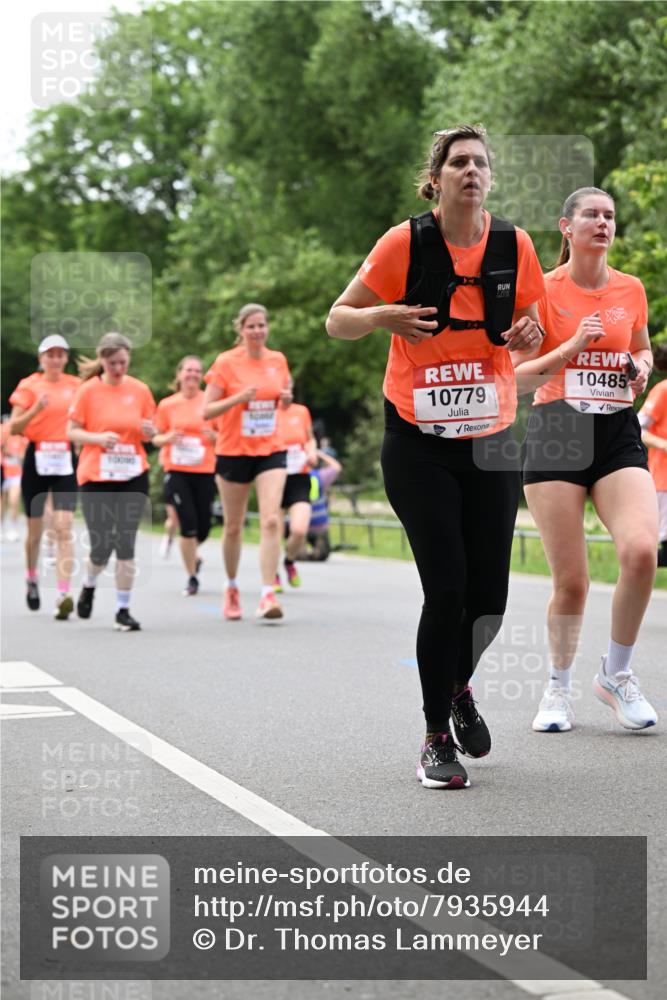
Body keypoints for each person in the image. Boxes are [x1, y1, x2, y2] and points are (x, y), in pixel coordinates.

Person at [326, 124, 545, 789]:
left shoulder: (514, 245)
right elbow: (337, 318)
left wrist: (532, 333)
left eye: (479, 162)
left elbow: (531, 334)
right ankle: (432, 739)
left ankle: (457, 686)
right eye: (458, 162)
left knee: (490, 599)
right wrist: (381, 316)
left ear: (488, 177)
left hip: (487, 440)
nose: (470, 171)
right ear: (437, 178)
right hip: (416, 442)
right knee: (446, 585)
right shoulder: (405, 242)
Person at [516, 187, 658, 733]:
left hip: (616, 431)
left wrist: (640, 367)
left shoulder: (631, 288)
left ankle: (616, 675)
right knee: (572, 581)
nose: (603, 223)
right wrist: (571, 346)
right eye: (592, 215)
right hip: (557, 431)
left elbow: (642, 347)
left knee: (642, 550)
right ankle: (557, 688)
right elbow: (518, 377)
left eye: (610, 216)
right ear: (566, 227)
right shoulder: (542, 292)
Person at [203, 303, 292, 621]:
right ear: (240, 330)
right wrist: (238, 398)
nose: (257, 331)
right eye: (251, 326)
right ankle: (232, 587)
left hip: (270, 448)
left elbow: (285, 393)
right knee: (233, 526)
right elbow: (206, 410)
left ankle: (268, 594)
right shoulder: (226, 363)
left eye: (262, 325)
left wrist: (286, 400)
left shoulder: (278, 360)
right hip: (233, 450)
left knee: (271, 520)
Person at [67, 332, 156, 632]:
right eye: (113, 362)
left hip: (132, 472)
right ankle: (89, 584)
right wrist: (97, 438)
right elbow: (71, 431)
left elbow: (151, 433)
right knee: (102, 545)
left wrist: (148, 430)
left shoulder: (140, 390)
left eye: (123, 362)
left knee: (126, 541)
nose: (119, 368)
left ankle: (123, 608)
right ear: (102, 360)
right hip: (97, 475)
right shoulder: (88, 391)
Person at [8, 335, 80, 618]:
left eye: (60, 354)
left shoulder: (75, 385)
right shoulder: (29, 386)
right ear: (41, 358)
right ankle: (32, 576)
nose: (56, 359)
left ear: (66, 358)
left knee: (64, 527)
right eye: (50, 354)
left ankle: (63, 592)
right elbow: (14, 427)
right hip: (36, 458)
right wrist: (36, 409)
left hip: (64, 459)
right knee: (35, 533)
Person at [153, 356, 217, 595]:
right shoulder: (167, 405)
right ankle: (192, 576)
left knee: (203, 528)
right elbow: (155, 438)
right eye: (188, 370)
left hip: (205, 470)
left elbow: (225, 438)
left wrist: (215, 438)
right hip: (177, 471)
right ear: (179, 374)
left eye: (197, 371)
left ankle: (191, 553)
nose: (193, 374)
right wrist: (168, 438)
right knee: (187, 524)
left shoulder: (210, 402)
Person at [274, 400, 318, 589]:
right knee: (273, 532)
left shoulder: (301, 411)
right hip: (273, 477)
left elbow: (310, 439)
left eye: (289, 387)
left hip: (299, 477)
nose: (286, 392)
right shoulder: (267, 411)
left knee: (299, 530)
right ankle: (272, 574)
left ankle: (289, 561)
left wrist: (312, 452)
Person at [638, 344, 667, 568]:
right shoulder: (663, 390)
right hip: (663, 480)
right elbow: (639, 428)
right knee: (661, 549)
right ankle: (632, 564)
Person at [303, 449, 343, 561]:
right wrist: (320, 454)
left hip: (303, 527)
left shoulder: (295, 478)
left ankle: (301, 549)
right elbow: (336, 467)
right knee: (320, 556)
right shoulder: (320, 476)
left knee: (301, 555)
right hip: (319, 526)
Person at [1, 416, 27, 542]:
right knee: (2, 503)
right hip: (3, 472)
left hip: (16, 473)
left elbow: (23, 454)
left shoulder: (20, 438)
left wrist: (19, 456)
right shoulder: (2, 435)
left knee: (14, 500)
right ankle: (1, 528)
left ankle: (13, 528)